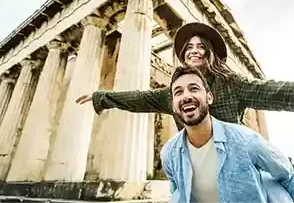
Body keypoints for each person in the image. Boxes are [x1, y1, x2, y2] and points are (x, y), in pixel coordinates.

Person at [76, 22, 294, 130]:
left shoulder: (232, 83)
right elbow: (139, 98)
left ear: (210, 53)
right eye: (189, 47)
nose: (194, 50)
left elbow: (272, 92)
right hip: (194, 167)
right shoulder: (175, 93)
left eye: (201, 46)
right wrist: (102, 96)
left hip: (234, 163)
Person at [161, 65, 294, 203]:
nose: (186, 96)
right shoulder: (169, 153)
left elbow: (287, 175)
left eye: (194, 88)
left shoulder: (246, 141)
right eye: (178, 92)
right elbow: (177, 192)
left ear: (209, 97)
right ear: (173, 105)